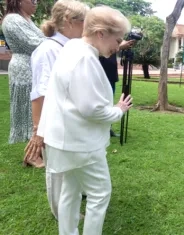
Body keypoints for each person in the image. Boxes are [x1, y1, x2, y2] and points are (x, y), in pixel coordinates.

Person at [27, 6, 133, 234]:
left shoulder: (72, 48)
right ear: (101, 33)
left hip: (64, 140)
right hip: (79, 143)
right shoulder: (84, 57)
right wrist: (118, 110)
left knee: (70, 190)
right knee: (100, 192)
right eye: (118, 39)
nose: (118, 46)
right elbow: (91, 108)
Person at [25, 0, 89, 220]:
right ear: (70, 22)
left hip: (70, 121)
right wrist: (38, 131)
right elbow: (40, 94)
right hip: (55, 123)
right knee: (58, 171)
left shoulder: (71, 48)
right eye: (85, 22)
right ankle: (62, 213)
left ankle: (71, 203)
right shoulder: (49, 50)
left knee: (71, 167)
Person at [2, 0, 46, 168]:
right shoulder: (12, 19)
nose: (35, 2)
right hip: (24, 69)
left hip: (35, 67)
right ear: (19, 1)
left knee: (37, 109)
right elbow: (34, 42)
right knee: (30, 112)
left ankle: (37, 151)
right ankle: (32, 155)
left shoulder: (27, 19)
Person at [99, 41, 136, 137]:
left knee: (109, 102)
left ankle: (108, 128)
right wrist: (120, 46)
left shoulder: (111, 36)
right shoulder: (98, 37)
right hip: (102, 74)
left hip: (111, 74)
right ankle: (101, 128)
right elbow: (101, 49)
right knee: (102, 102)